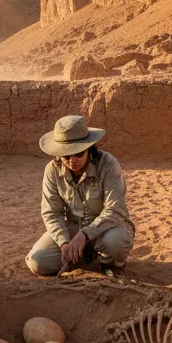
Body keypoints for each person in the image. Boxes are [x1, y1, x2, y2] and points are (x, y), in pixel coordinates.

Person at [26, 115, 135, 278]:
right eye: (66, 156)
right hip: (72, 228)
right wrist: (63, 242)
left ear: (89, 148)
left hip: (107, 227)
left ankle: (109, 263)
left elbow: (115, 210)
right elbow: (51, 213)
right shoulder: (52, 170)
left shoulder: (108, 164)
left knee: (115, 243)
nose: (72, 160)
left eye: (78, 153)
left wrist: (84, 234)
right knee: (38, 263)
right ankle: (84, 255)